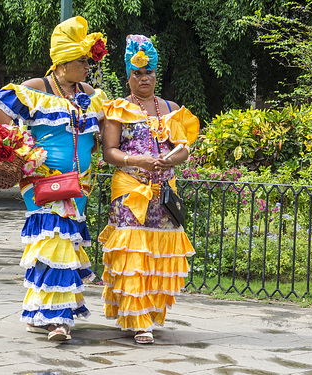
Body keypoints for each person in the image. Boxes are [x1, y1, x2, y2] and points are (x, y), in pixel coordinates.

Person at [0, 16, 108, 341]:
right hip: (44, 179)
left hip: (78, 184)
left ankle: (36, 313)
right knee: (56, 240)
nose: (87, 66)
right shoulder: (38, 87)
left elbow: (109, 124)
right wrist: (19, 142)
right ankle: (58, 320)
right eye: (82, 61)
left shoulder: (90, 93)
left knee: (54, 245)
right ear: (63, 63)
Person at [99, 35, 200, 344]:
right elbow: (109, 152)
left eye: (149, 73)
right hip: (130, 192)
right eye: (137, 73)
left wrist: (166, 159)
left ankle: (150, 315)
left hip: (162, 195)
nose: (144, 79)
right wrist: (138, 159)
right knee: (132, 257)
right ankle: (137, 320)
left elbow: (183, 149)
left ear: (156, 73)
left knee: (157, 256)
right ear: (128, 76)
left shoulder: (171, 108)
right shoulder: (117, 109)